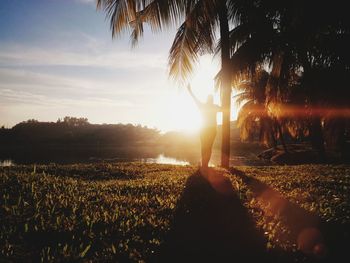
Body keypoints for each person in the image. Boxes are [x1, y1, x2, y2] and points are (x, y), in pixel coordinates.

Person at [186, 84, 222, 168]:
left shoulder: (205, 106)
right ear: (210, 100)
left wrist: (190, 91)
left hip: (206, 129)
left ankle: (204, 164)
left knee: (206, 146)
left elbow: (195, 99)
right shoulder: (213, 106)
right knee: (207, 147)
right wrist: (190, 91)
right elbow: (224, 109)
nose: (210, 100)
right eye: (210, 99)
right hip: (207, 129)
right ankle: (204, 164)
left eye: (211, 99)